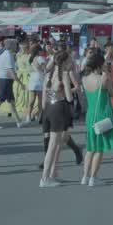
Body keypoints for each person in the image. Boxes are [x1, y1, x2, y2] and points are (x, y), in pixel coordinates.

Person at [39, 49, 77, 187]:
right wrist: (70, 90)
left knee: (52, 144)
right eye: (70, 60)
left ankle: (51, 175)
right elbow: (69, 97)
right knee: (53, 145)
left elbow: (45, 97)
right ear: (66, 62)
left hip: (48, 108)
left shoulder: (49, 73)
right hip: (58, 109)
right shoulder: (65, 75)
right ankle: (45, 178)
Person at [80, 52, 113, 186]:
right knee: (99, 148)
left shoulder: (84, 79)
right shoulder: (104, 78)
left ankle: (85, 177)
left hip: (90, 115)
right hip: (102, 115)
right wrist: (108, 74)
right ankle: (93, 178)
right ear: (99, 64)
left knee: (90, 147)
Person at [0, 40, 24, 129]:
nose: (17, 47)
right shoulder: (8, 56)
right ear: (12, 46)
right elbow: (10, 71)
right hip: (5, 80)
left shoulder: (4, 55)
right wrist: (20, 83)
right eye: (15, 45)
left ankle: (18, 121)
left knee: (11, 101)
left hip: (4, 80)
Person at [26, 44, 47, 123]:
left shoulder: (31, 58)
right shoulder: (40, 58)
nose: (42, 52)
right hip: (39, 79)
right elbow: (45, 69)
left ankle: (28, 116)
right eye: (41, 50)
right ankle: (39, 116)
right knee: (40, 100)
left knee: (31, 100)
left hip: (32, 79)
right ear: (39, 51)